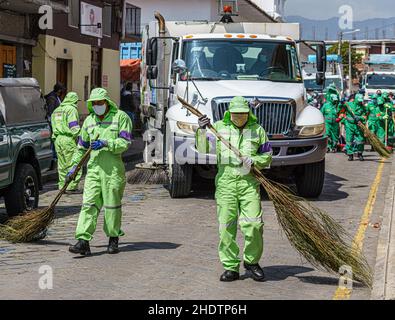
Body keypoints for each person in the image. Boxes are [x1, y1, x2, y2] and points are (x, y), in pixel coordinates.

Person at [196, 96, 272, 282]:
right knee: (226, 227)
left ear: (248, 114)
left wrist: (256, 161)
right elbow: (202, 148)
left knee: (254, 224)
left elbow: (268, 155)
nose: (240, 117)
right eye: (236, 114)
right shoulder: (219, 128)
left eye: (243, 114)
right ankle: (231, 266)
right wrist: (201, 130)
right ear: (230, 113)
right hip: (226, 184)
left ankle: (251, 262)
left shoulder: (258, 130)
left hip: (249, 183)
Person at [68, 88, 133, 256]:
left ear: (107, 102)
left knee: (112, 207)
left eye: (100, 103)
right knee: (88, 204)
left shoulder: (120, 118)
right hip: (94, 170)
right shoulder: (89, 121)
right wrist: (74, 166)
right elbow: (81, 147)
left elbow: (125, 142)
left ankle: (113, 239)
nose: (97, 106)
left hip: (112, 171)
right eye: (94, 103)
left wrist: (106, 143)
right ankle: (83, 241)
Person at [51, 92, 82, 193]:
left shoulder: (56, 110)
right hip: (68, 139)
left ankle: (62, 185)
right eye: (76, 101)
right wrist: (82, 136)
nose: (77, 103)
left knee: (62, 164)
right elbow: (73, 125)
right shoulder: (71, 109)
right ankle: (71, 187)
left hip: (57, 139)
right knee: (73, 163)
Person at [343, 94, 367, 161]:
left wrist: (359, 117)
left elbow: (365, 117)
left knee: (360, 140)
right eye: (358, 101)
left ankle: (360, 154)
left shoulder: (363, 107)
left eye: (361, 101)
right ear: (355, 99)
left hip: (358, 125)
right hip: (349, 125)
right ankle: (350, 155)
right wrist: (341, 103)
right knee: (349, 140)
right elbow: (341, 110)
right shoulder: (348, 104)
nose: (360, 102)